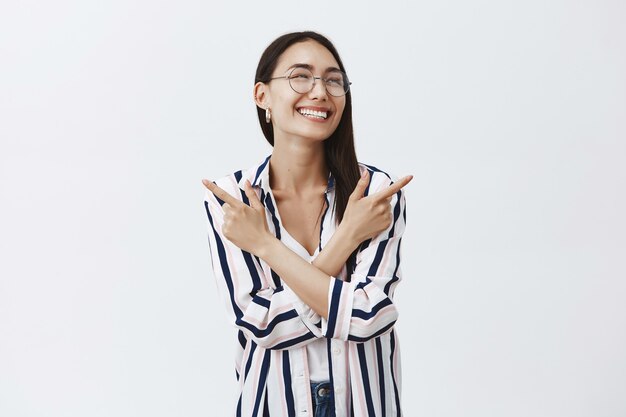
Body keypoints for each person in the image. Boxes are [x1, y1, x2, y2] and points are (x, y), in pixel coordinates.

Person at [202, 31, 412, 417]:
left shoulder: (376, 193)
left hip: (364, 403)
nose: (320, 92)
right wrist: (347, 239)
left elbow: (371, 316)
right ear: (261, 95)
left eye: (334, 80)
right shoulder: (231, 198)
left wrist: (265, 246)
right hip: (272, 403)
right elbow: (262, 325)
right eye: (301, 76)